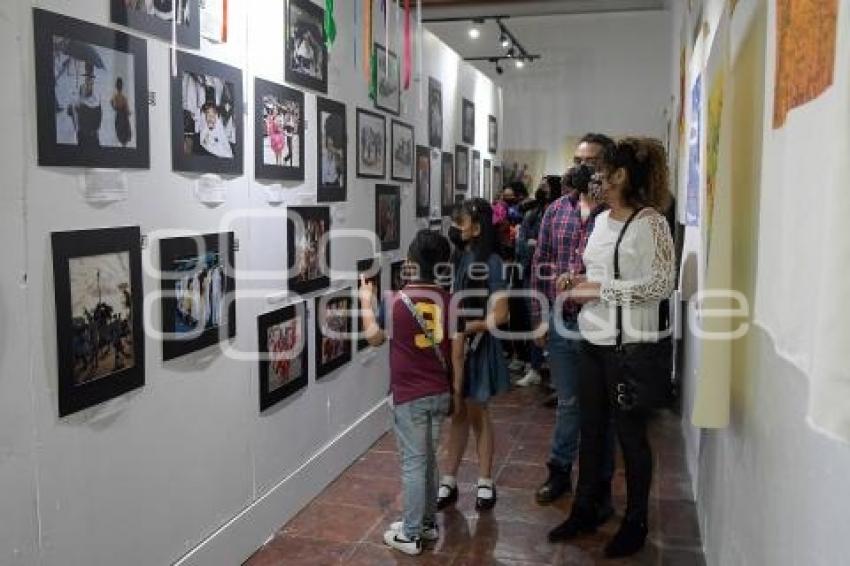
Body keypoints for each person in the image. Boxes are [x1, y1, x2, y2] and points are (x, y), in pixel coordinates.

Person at [550, 137, 675, 558]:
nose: (598, 177)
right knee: (591, 430)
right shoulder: (601, 220)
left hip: (627, 348)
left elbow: (661, 285)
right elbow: (594, 269)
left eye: (606, 170)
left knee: (630, 437)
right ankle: (588, 506)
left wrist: (602, 291)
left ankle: (636, 520)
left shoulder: (652, 223)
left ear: (624, 175)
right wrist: (574, 279)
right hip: (591, 341)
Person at [530, 134, 617, 509]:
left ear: (607, 165)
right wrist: (539, 318)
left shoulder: (618, 213)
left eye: (592, 160)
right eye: (578, 159)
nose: (583, 167)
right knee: (567, 402)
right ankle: (560, 471)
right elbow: (540, 265)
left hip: (602, 322)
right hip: (561, 321)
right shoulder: (556, 210)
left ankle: (599, 483)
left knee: (603, 408)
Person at [360, 230, 459, 557]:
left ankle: (412, 533)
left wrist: (364, 303)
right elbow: (458, 353)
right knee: (429, 459)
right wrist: (456, 393)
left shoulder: (395, 300)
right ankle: (428, 523)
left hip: (409, 394)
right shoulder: (448, 300)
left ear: (412, 262)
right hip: (439, 390)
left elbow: (374, 338)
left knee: (414, 463)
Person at [439, 198, 510, 512]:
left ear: (477, 228)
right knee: (457, 414)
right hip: (457, 346)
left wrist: (470, 327)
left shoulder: (492, 262)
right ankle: (449, 480)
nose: (456, 229)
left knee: (478, 414)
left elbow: (502, 314)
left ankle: (484, 481)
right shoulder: (458, 259)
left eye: (461, 223)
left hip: (477, 347)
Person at [514, 176, 562, 387]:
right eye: (540, 184)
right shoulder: (532, 214)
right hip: (531, 275)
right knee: (536, 320)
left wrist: (536, 246)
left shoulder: (562, 213)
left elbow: (556, 250)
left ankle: (556, 369)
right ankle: (534, 367)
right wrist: (534, 247)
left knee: (555, 322)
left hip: (554, 277)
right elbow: (521, 245)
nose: (542, 189)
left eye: (546, 185)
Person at [110, 77, 132, 147]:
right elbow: (127, 110)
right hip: (123, 117)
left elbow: (112, 104)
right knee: (123, 135)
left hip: (120, 117)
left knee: (121, 134)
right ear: (121, 87)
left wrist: (116, 108)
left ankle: (123, 145)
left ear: (116, 86)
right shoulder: (123, 98)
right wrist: (128, 112)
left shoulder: (115, 97)